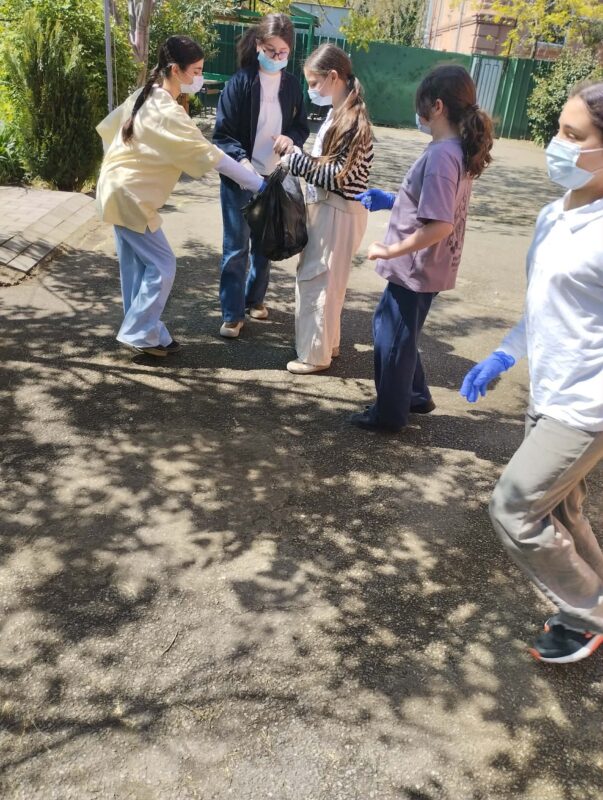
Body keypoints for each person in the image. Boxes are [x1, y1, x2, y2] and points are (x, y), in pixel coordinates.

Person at [461, 80, 603, 664]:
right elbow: (542, 306)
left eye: (573, 135)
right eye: (557, 130)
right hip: (548, 391)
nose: (556, 145)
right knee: (561, 509)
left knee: (515, 507)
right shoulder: (552, 215)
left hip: (586, 406)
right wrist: (504, 353)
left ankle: (589, 611)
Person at [96, 36, 265, 357]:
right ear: (175, 70)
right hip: (131, 198)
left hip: (116, 190)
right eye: (196, 71)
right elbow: (214, 156)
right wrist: (259, 184)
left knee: (137, 267)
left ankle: (147, 331)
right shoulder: (167, 111)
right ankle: (138, 331)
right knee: (162, 265)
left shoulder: (144, 95)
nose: (200, 78)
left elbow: (108, 133)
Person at [350, 65, 493, 430]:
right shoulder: (452, 149)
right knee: (397, 331)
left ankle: (389, 416)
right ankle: (414, 395)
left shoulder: (443, 155)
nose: (418, 113)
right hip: (425, 265)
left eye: (421, 105)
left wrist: (389, 250)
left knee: (391, 338)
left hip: (416, 267)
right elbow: (432, 202)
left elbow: (440, 224)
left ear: (438, 106)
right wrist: (392, 200)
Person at [213, 13, 309, 339]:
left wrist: (290, 138)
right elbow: (223, 133)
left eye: (283, 52)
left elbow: (301, 126)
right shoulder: (239, 83)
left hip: (273, 177)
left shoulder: (292, 85)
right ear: (258, 46)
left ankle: (255, 299)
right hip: (239, 177)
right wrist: (242, 161)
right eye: (270, 51)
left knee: (264, 243)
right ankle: (232, 313)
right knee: (236, 247)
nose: (276, 57)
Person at [281, 44, 374, 375]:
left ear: (334, 77)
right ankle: (326, 345)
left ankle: (314, 355)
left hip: (335, 210)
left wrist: (295, 160)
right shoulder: (343, 112)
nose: (311, 90)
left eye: (314, 83)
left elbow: (336, 175)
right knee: (329, 284)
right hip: (335, 210)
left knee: (318, 281)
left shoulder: (350, 119)